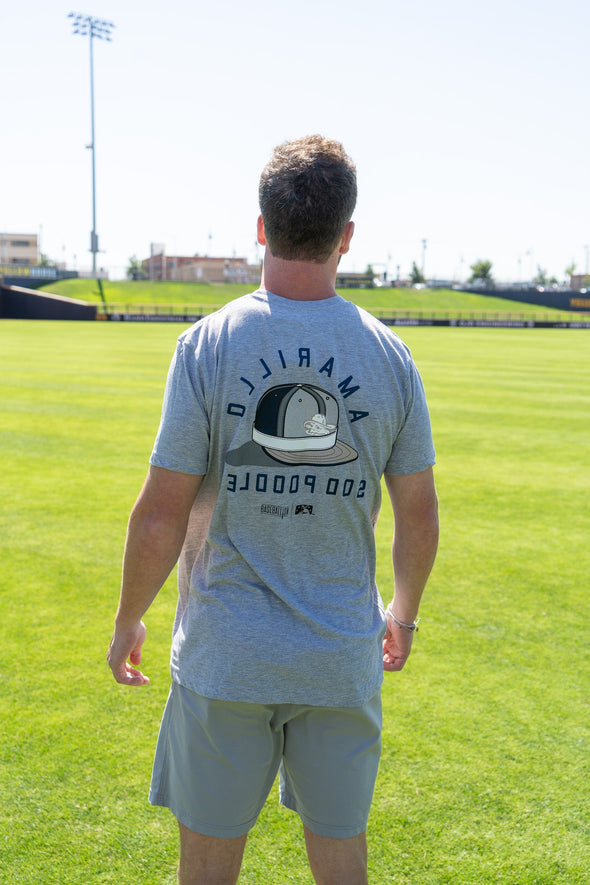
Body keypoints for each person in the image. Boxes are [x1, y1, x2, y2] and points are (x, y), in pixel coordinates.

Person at [107, 134, 439, 885]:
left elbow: (160, 511)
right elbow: (419, 513)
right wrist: (405, 611)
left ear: (260, 226)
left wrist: (129, 615)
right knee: (342, 866)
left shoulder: (207, 344)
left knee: (207, 872)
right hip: (339, 655)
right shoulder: (390, 356)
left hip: (226, 656)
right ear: (346, 235)